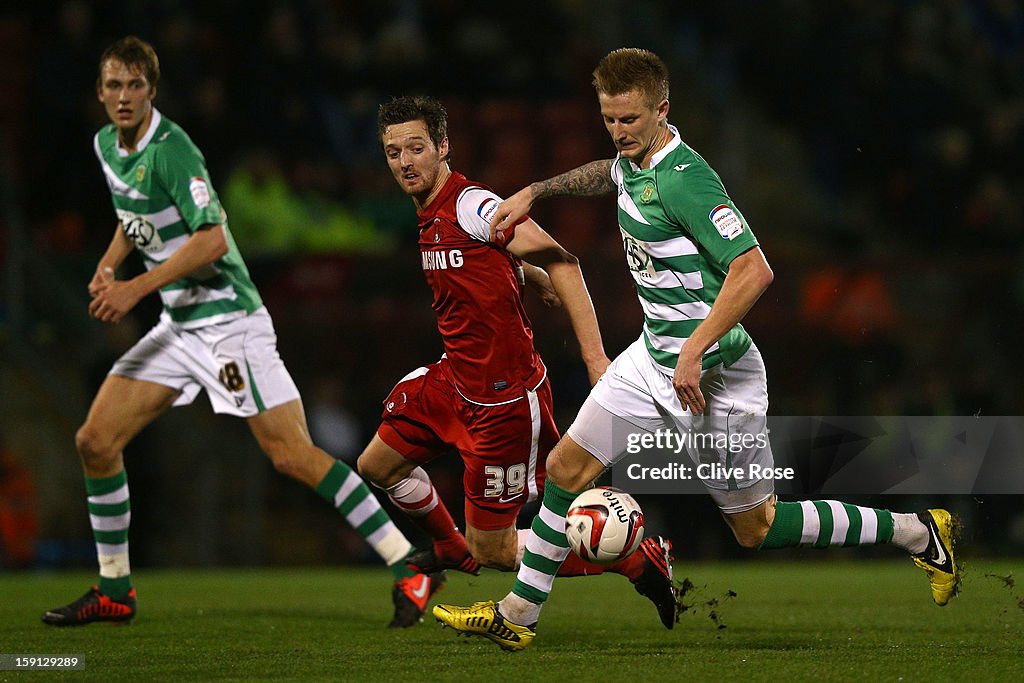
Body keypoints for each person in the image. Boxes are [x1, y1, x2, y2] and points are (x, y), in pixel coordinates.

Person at [433, 47, 961, 651]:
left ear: (663, 109)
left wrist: (695, 349)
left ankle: (919, 531)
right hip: (651, 358)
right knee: (564, 469)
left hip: (714, 375)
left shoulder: (686, 181)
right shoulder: (634, 159)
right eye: (609, 119)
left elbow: (754, 270)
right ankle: (518, 616)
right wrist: (536, 190)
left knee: (756, 528)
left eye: (629, 120)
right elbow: (605, 172)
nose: (618, 132)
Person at [42, 36, 439, 629]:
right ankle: (115, 590)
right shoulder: (108, 146)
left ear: (152, 91)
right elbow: (135, 218)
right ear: (100, 93)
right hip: (180, 325)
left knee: (291, 456)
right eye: (114, 86)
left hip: (228, 321)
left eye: (135, 85)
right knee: (95, 441)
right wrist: (108, 266)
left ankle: (408, 562)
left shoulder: (173, 150)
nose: (124, 96)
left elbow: (212, 240)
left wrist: (133, 290)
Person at [355, 95, 678, 628]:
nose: (405, 161)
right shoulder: (430, 212)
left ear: (443, 148)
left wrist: (596, 360)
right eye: (393, 152)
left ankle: (636, 558)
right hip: (453, 380)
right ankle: (449, 550)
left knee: (498, 551)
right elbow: (486, 259)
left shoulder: (470, 204)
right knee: (377, 465)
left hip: (501, 403)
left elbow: (563, 259)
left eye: (417, 148)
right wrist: (532, 279)